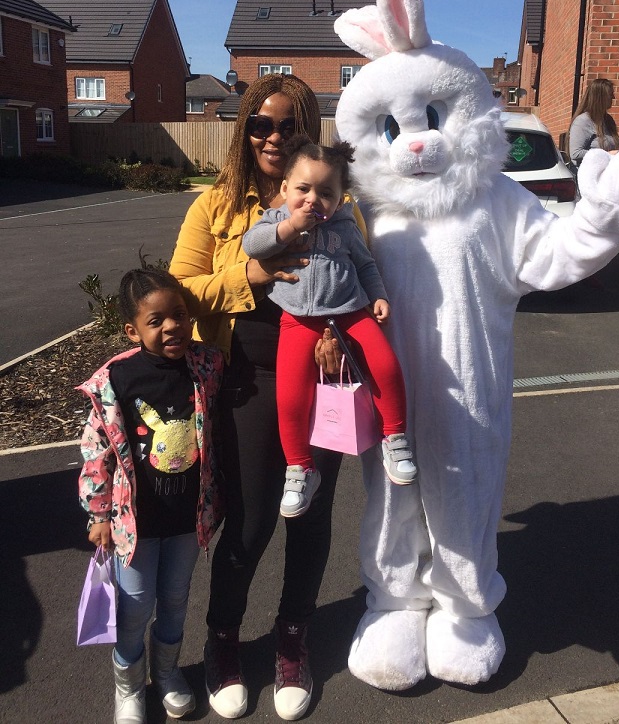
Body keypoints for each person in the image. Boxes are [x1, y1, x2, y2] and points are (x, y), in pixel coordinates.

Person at [169, 74, 357, 722]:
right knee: (248, 523)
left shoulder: (331, 198)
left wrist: (337, 331)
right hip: (249, 381)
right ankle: (223, 641)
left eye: (287, 125)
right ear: (243, 129)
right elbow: (177, 293)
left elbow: (358, 282)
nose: (273, 136)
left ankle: (292, 640)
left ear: (307, 131)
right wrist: (245, 272)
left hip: (321, 379)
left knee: (308, 521)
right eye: (260, 123)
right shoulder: (216, 207)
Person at [78, 268, 225, 724]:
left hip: (186, 518)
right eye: (156, 321)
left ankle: (167, 673)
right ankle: (128, 687)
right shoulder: (117, 380)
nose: (171, 328)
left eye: (179, 315)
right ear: (132, 330)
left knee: (177, 598)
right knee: (136, 605)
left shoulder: (206, 366)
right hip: (134, 525)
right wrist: (98, 512)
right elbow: (96, 449)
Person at [242, 134, 417, 519]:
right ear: (285, 187)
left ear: (340, 199)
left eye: (325, 193)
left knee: (385, 367)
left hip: (351, 311)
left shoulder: (344, 225)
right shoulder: (274, 219)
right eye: (302, 189)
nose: (311, 200)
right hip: (297, 320)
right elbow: (252, 246)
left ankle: (395, 436)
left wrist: (379, 296)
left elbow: (366, 264)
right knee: (290, 397)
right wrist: (289, 228)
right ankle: (300, 467)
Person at [568, 78, 619, 167]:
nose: (613, 97)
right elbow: (575, 153)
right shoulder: (583, 121)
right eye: (610, 94)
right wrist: (607, 154)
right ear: (600, 97)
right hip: (588, 176)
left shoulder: (608, 120)